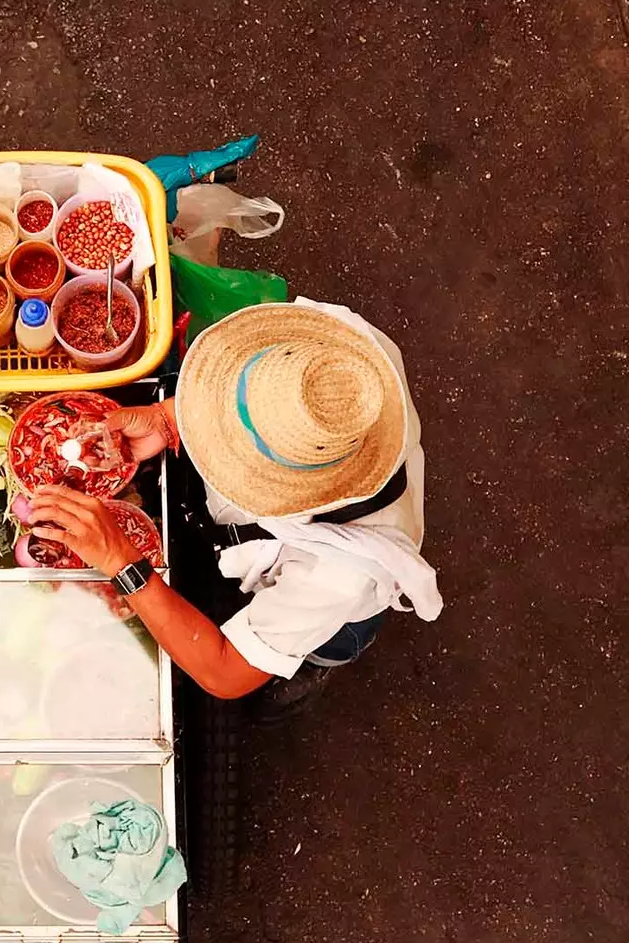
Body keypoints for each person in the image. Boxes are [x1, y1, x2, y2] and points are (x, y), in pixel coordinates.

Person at [28, 299, 441, 721]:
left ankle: (307, 670)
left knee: (323, 645)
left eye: (231, 443)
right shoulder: (340, 359)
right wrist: (165, 419)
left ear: (284, 486)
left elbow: (224, 672)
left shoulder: (337, 576)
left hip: (335, 617)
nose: (216, 436)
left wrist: (121, 560)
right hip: (261, 544)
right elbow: (244, 396)